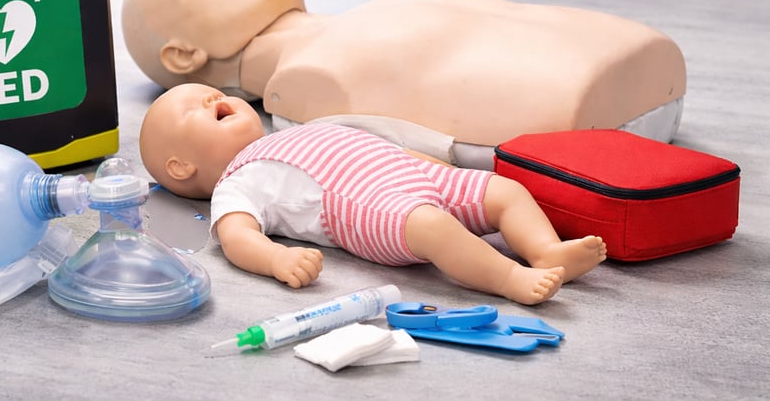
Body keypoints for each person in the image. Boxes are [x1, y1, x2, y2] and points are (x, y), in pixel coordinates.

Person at [122, 0, 687, 167]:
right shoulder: (304, 87)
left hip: (602, 71)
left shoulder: (347, 34)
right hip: (585, 117)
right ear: (183, 55)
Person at [139, 82, 608, 306]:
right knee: (433, 227)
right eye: (192, 108)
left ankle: (545, 251)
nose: (210, 97)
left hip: (412, 172)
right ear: (181, 167)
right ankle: (509, 278)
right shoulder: (235, 183)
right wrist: (277, 259)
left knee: (505, 190)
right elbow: (236, 237)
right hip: (367, 207)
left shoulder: (288, 133)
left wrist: (432, 167)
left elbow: (377, 147)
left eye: (209, 92)